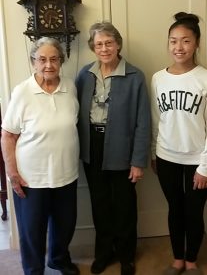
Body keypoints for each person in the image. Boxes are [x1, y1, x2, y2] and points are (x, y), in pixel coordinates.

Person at [76, 21, 151, 275]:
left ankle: (126, 256)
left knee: (124, 206)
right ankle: (104, 252)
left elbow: (143, 121)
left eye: (109, 42)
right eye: (99, 44)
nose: (104, 48)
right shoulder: (84, 74)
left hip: (122, 148)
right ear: (92, 47)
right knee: (100, 204)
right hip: (92, 148)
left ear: (118, 44)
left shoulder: (135, 76)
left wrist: (138, 160)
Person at [1, 37, 80, 275]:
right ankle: (33, 270)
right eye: (42, 59)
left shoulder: (70, 87)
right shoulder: (23, 91)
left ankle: (58, 259)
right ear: (33, 62)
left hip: (66, 174)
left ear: (61, 61)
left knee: (65, 225)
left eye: (54, 59)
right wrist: (12, 173)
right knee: (32, 230)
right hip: (31, 178)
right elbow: (7, 135)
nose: (48, 65)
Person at [151, 12, 207, 275]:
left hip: (198, 159)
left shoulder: (204, 78)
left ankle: (192, 259)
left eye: (185, 41)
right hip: (165, 156)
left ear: (196, 43)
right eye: (173, 41)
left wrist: (205, 167)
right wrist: (153, 152)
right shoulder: (158, 78)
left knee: (194, 212)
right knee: (175, 208)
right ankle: (177, 259)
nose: (179, 47)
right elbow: (155, 118)